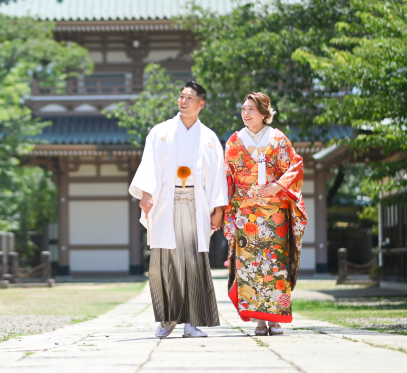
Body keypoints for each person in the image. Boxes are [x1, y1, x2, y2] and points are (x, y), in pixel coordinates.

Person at [129, 81, 228, 339]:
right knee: (164, 261)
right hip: (166, 201)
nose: (183, 101)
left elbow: (218, 175)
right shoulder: (160, 132)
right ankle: (166, 318)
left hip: (197, 202)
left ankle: (192, 322)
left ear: (201, 104)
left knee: (194, 261)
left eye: (189, 98)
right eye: (181, 96)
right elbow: (148, 164)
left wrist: (218, 207)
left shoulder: (208, 137)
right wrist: (146, 194)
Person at [223, 92, 307, 336]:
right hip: (245, 214)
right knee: (248, 265)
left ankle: (276, 318)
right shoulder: (234, 140)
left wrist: (278, 186)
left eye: (251, 109)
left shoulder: (278, 139)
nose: (246, 113)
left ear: (264, 113)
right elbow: (227, 178)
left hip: (274, 214)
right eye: (244, 109)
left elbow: (295, 165)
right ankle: (259, 319)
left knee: (274, 264)